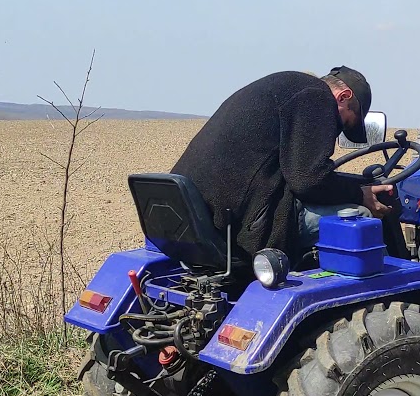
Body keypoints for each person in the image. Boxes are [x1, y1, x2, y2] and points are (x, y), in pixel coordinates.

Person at [170, 66, 397, 264]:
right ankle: (391, 294)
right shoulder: (316, 96)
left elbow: (298, 172)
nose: (337, 129)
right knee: (362, 218)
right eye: (344, 122)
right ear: (343, 96)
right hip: (239, 227)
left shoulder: (288, 87)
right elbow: (307, 181)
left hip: (196, 216)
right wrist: (360, 195)